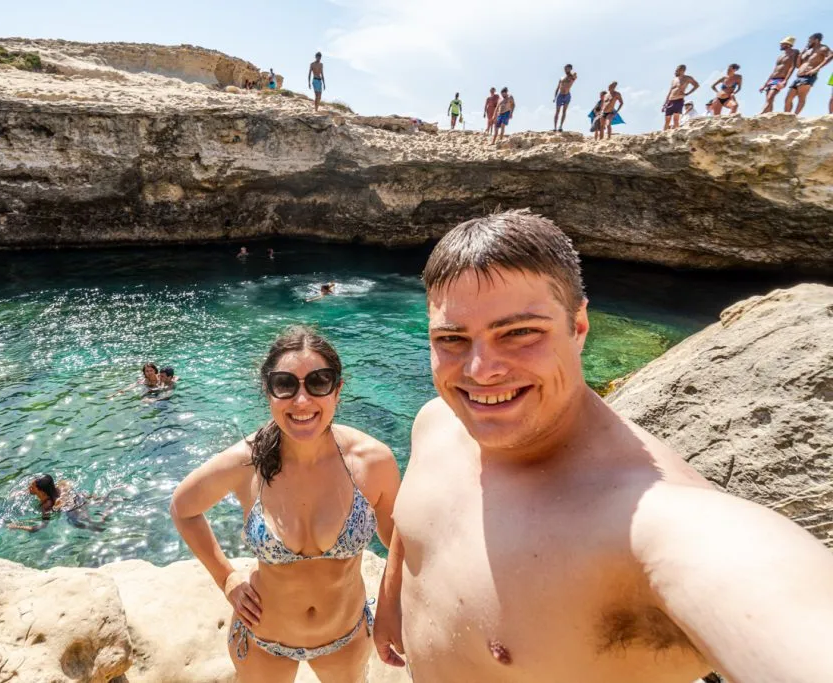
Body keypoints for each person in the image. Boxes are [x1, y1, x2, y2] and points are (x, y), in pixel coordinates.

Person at [370, 209, 833, 682]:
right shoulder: (436, 421)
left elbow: (785, 611)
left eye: (520, 332)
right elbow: (413, 525)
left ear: (579, 327)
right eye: (452, 338)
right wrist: (391, 601)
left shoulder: (652, 521)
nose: (480, 370)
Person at [170, 326, 400, 682]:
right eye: (285, 384)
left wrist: (389, 607)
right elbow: (183, 508)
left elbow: (399, 541)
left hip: (345, 639)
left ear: (337, 390)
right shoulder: (245, 461)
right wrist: (228, 579)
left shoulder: (372, 461)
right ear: (269, 392)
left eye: (318, 382)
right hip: (263, 642)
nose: (302, 401)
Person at [7, 474, 107, 532]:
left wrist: (17, 526)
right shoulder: (61, 485)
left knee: (86, 525)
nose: (29, 487)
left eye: (32, 487)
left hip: (72, 511)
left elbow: (41, 527)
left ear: (41, 491)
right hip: (81, 498)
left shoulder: (47, 505)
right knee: (98, 501)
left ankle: (103, 519)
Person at [785, 33, 832, 115]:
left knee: (801, 98)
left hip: (809, 76)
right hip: (798, 76)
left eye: (810, 39)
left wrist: (816, 68)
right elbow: (798, 65)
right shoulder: (808, 51)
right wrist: (800, 55)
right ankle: (787, 116)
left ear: (816, 40)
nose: (808, 41)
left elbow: (830, 56)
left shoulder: (823, 48)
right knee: (788, 98)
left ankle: (795, 116)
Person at [760, 37, 800, 113]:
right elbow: (774, 70)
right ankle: (768, 116)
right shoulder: (780, 56)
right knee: (769, 100)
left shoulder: (794, 52)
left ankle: (760, 114)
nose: (780, 45)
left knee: (770, 98)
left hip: (780, 79)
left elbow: (792, 66)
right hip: (772, 79)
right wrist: (765, 84)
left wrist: (785, 80)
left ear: (788, 44)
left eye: (782, 44)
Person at [662, 65, 699, 130]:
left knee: (675, 120)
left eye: (677, 70)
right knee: (667, 120)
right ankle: (663, 135)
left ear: (682, 70)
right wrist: (665, 103)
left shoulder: (687, 78)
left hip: (678, 100)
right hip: (670, 101)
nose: (675, 71)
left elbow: (696, 85)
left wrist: (687, 93)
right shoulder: (674, 79)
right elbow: (670, 91)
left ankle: (677, 135)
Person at [553, 64, 577, 131]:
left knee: (564, 111)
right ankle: (555, 127)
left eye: (567, 68)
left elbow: (575, 76)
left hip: (567, 95)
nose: (565, 70)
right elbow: (557, 88)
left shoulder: (572, 76)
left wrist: (571, 73)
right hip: (560, 95)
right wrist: (555, 97)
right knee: (557, 111)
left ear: (570, 69)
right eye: (565, 68)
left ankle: (560, 126)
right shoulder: (561, 78)